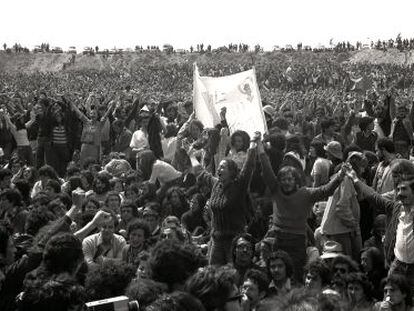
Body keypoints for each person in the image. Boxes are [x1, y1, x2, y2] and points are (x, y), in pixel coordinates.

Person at [258, 138, 346, 280]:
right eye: (283, 179)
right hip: (278, 239)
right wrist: (259, 148)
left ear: (296, 181)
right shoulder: (276, 190)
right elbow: (267, 169)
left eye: (289, 179)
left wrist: (340, 176)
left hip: (296, 242)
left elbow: (326, 190)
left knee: (295, 275)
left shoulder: (305, 193)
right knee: (276, 274)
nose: (286, 182)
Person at [191, 132, 259, 265]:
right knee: (213, 273)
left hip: (234, 242)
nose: (219, 170)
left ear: (232, 172)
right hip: (216, 240)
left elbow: (248, 167)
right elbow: (200, 172)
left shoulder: (239, 186)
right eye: (219, 167)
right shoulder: (216, 184)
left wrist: (253, 144)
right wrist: (191, 155)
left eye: (223, 167)